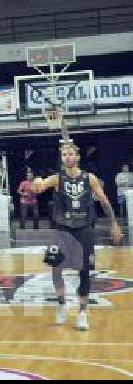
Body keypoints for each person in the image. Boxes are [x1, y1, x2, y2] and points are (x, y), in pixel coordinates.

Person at [32, 142, 123, 331]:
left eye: (71, 154)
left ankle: (82, 313)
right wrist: (37, 182)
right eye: (64, 154)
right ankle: (62, 303)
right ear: (62, 158)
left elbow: (105, 203)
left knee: (84, 272)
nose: (67, 157)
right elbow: (38, 187)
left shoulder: (90, 179)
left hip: (84, 229)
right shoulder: (57, 178)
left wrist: (114, 223)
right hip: (62, 229)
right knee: (55, 269)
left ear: (78, 157)